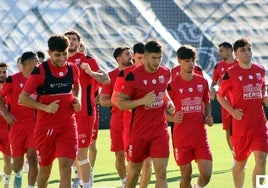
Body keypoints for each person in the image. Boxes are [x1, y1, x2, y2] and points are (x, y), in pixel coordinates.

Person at [19, 35, 81, 188]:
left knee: (66, 169)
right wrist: (45, 107)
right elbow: (23, 98)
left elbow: (76, 87)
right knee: (45, 171)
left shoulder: (73, 69)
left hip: (68, 126)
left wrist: (77, 99)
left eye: (64, 54)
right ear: (49, 52)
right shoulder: (40, 71)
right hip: (46, 129)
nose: (62, 58)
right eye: (57, 55)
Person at [117, 40, 174, 188]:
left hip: (160, 131)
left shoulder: (165, 72)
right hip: (139, 133)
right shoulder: (133, 76)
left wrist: (169, 102)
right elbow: (121, 103)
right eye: (154, 57)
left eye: (160, 57)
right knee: (134, 173)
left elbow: (163, 91)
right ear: (146, 57)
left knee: (161, 173)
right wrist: (142, 101)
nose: (157, 61)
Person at [217, 38, 268, 188]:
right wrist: (231, 111)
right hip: (241, 128)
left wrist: (264, 95)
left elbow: (263, 87)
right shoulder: (230, 73)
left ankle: (258, 187)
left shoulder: (260, 70)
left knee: (261, 160)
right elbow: (220, 96)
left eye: (249, 49)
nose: (247, 52)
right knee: (240, 163)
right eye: (243, 50)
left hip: (259, 125)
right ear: (236, 54)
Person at [64, 29, 110, 188]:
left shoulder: (87, 59)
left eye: (74, 39)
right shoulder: (56, 62)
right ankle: (76, 181)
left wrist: (90, 72)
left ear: (79, 42)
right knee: (65, 156)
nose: (71, 41)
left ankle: (86, 184)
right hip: (62, 116)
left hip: (85, 114)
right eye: (68, 38)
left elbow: (106, 80)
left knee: (82, 153)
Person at [166, 45, 213, 188]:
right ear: (179, 61)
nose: (191, 64)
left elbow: (207, 101)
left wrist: (208, 115)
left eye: (193, 60)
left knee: (206, 174)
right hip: (181, 139)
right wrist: (172, 118)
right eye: (187, 60)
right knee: (186, 175)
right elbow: (161, 109)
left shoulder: (202, 82)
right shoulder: (172, 86)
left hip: (200, 137)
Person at [111, 42, 152, 188]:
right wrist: (135, 106)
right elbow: (114, 99)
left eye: (145, 58)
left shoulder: (156, 71)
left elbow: (162, 94)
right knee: (134, 167)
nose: (143, 61)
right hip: (132, 127)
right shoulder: (125, 74)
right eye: (140, 58)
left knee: (149, 163)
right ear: (134, 57)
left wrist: (169, 104)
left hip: (153, 126)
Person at [0, 52, 39, 188]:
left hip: (34, 126)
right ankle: (17, 174)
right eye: (36, 62)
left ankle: (30, 186)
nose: (38, 65)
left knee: (33, 158)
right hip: (16, 126)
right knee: (17, 164)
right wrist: (5, 113)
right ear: (28, 63)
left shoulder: (40, 80)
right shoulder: (12, 80)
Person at [99, 45, 133, 187]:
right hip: (118, 121)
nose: (130, 56)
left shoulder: (137, 72)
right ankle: (125, 183)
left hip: (135, 120)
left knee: (135, 156)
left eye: (130, 53)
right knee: (119, 155)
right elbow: (103, 100)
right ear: (119, 58)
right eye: (127, 54)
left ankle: (133, 181)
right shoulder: (111, 76)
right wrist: (120, 103)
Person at [210, 42, 238, 168]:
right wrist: (213, 89)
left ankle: (243, 155)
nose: (220, 53)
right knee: (228, 131)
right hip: (225, 104)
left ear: (230, 50)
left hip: (239, 103)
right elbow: (214, 83)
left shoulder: (240, 64)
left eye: (221, 50)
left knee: (241, 131)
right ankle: (235, 156)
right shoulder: (218, 66)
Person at [0, 62, 12, 188]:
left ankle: (7, 184)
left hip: (8, 130)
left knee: (8, 160)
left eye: (4, 72)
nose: (2, 75)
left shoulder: (11, 88)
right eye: (0, 72)